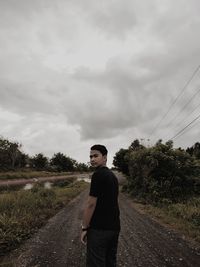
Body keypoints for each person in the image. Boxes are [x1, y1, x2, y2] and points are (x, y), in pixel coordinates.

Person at [81, 144, 120, 267]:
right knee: (110, 262)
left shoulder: (98, 174)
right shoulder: (112, 176)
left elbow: (91, 204)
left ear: (105, 157)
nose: (92, 159)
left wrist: (84, 227)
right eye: (90, 156)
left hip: (99, 230)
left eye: (95, 156)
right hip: (114, 229)